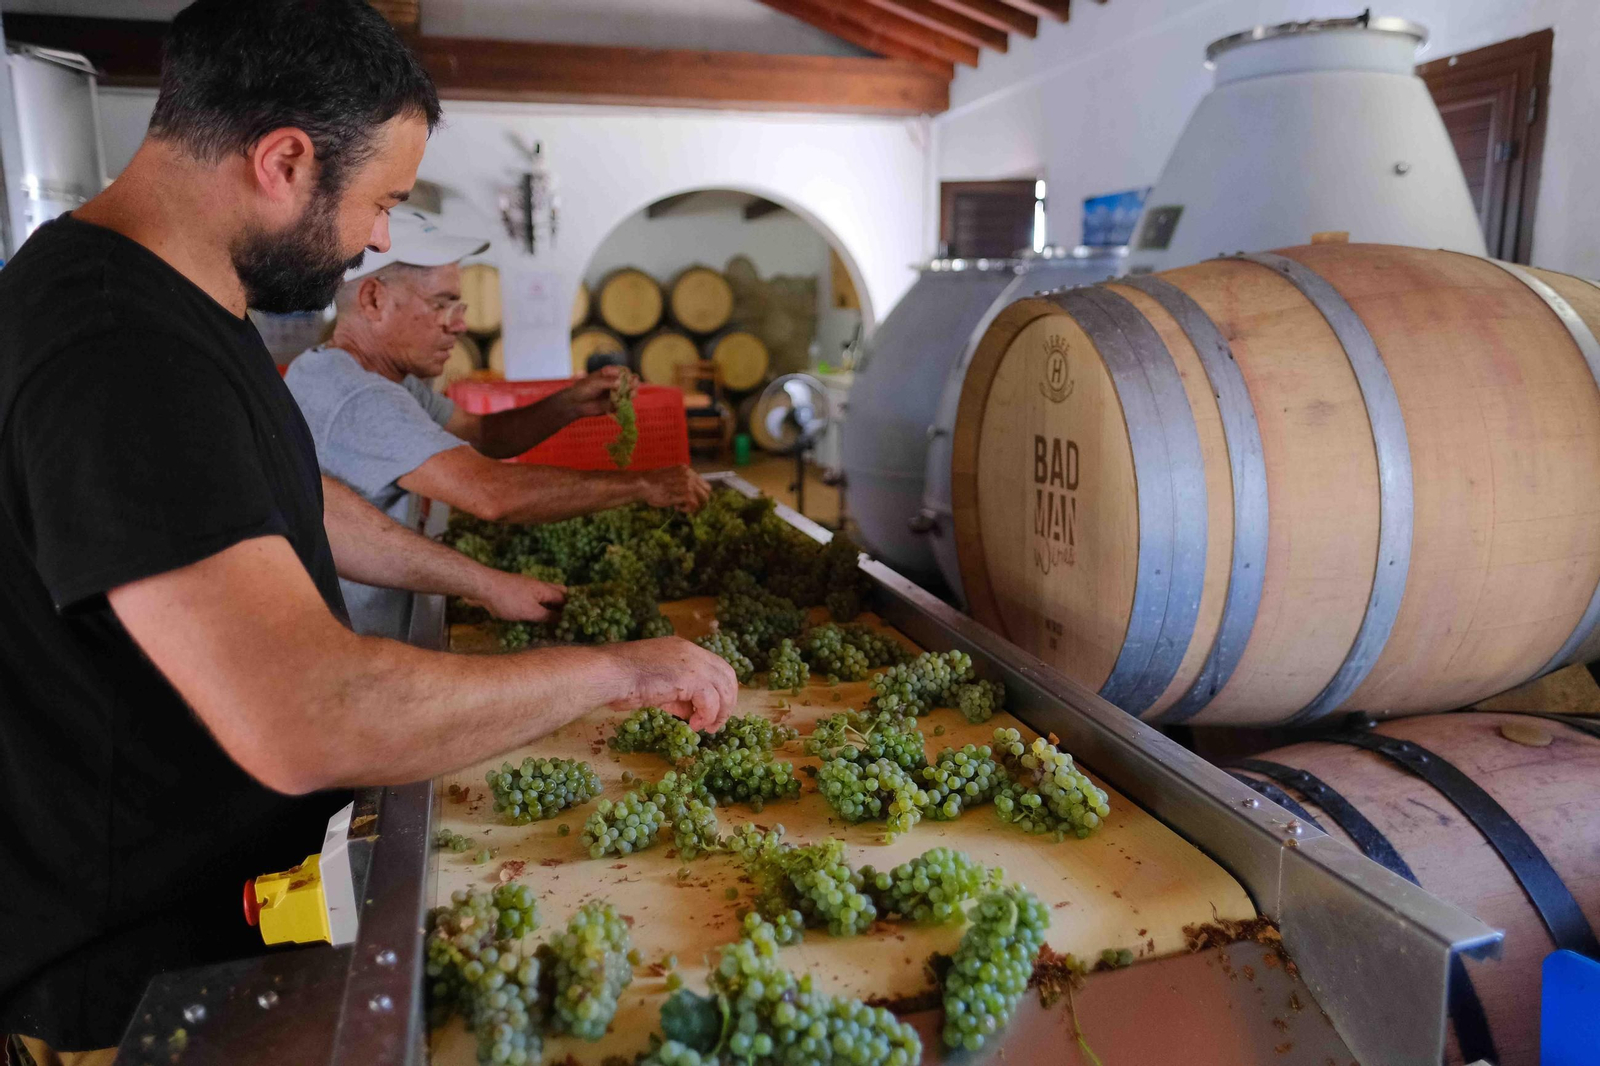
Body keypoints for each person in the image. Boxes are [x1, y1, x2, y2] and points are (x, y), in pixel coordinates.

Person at [0, 2, 736, 1060]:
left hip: (204, 920)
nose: (381, 238)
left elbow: (292, 504)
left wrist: (479, 584)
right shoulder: (119, 348)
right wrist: (616, 672)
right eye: (382, 201)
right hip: (125, 990)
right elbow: (311, 712)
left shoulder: (185, 305)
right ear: (285, 161)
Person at [286, 209, 711, 638]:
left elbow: (485, 435)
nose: (460, 324)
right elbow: (491, 493)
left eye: (459, 305)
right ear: (374, 300)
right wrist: (643, 485)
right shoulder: (358, 396)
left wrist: (569, 404)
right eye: (442, 304)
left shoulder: (364, 375)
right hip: (354, 643)